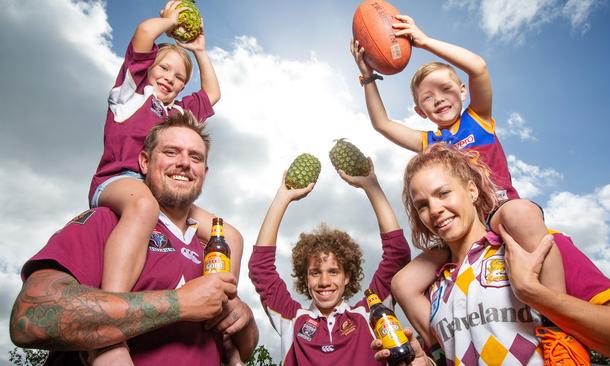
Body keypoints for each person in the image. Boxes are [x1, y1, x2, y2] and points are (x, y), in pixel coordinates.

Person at [350, 14, 566, 327]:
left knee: (522, 214)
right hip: (456, 229)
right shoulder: (431, 142)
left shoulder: (477, 118)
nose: (438, 99)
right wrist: (368, 76)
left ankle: (560, 324)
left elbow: (478, 66)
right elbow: (382, 124)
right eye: (428, 97)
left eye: (445, 89)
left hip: (496, 213)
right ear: (419, 111)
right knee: (403, 284)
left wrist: (423, 41)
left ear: (462, 91)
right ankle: (444, 349)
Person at [9, 112, 258, 366]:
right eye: (171, 152)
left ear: (204, 172)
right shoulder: (107, 222)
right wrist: (179, 302)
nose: (184, 163)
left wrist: (245, 320)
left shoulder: (213, 251)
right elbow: (31, 316)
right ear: (144, 162)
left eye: (195, 157)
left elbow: (242, 349)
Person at [377, 143, 610, 365]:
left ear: (471, 190)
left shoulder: (534, 246)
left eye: (444, 193)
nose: (434, 209)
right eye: (422, 205)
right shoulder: (435, 285)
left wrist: (535, 293)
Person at [87, 1, 237, 363]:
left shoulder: (175, 114)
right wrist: (171, 22)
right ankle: (110, 328)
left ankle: (222, 320)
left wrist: (199, 50)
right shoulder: (131, 96)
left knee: (228, 235)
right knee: (142, 205)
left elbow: (213, 94)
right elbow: (142, 34)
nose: (170, 78)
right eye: (163, 68)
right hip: (119, 180)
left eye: (179, 77)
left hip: (163, 195)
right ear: (146, 69)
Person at [248, 158, 411, 365]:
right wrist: (283, 198)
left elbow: (397, 254)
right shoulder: (292, 320)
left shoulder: (369, 315)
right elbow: (260, 268)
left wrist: (371, 186)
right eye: (315, 272)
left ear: (347, 277)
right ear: (305, 279)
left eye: (333, 271)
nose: (324, 281)